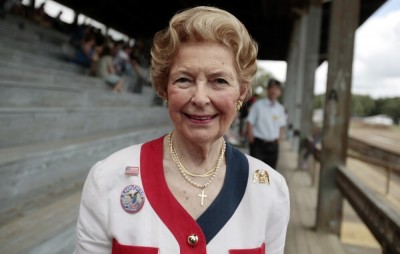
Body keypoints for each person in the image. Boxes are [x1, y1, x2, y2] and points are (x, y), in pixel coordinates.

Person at [74, 6, 290, 254]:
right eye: (184, 79)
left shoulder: (271, 190)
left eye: (219, 81)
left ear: (241, 91)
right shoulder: (108, 179)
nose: (200, 98)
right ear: (164, 88)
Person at [246, 79, 287, 169]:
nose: (274, 91)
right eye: (272, 88)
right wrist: (251, 139)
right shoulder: (258, 105)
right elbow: (250, 122)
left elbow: (281, 126)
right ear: (267, 90)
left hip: (273, 145)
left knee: (271, 173)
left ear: (279, 92)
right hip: (258, 144)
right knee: (256, 172)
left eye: (277, 88)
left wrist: (279, 139)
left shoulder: (280, 108)